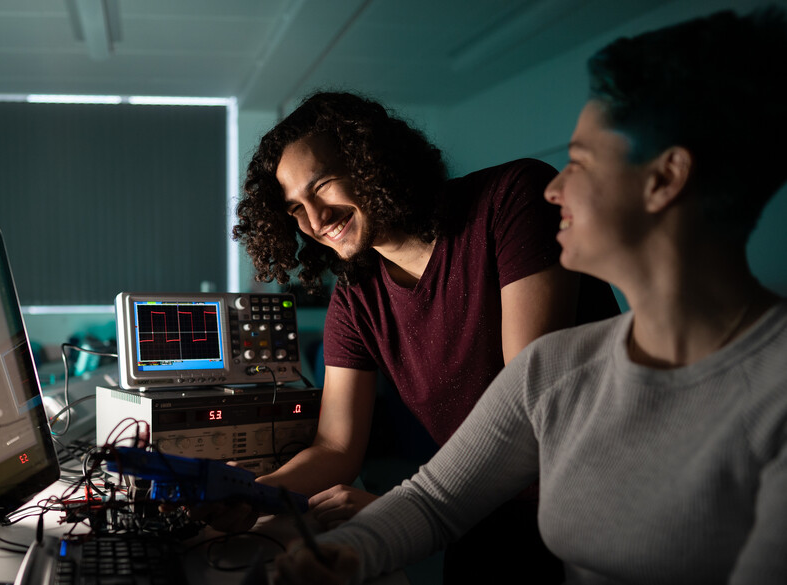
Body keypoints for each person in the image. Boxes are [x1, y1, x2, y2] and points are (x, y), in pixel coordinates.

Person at [274, 6, 787, 584]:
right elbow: (435, 501)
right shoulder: (558, 365)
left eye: (580, 163)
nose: (556, 186)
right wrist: (342, 555)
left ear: (665, 179)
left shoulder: (772, 389)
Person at [223, 91, 620, 582]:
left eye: (322, 185)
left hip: (596, 509)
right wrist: (251, 491)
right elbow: (335, 447)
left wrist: (405, 511)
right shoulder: (355, 297)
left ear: (371, 160)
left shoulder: (511, 199)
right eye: (294, 209)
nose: (316, 220)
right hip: (478, 519)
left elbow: (526, 411)